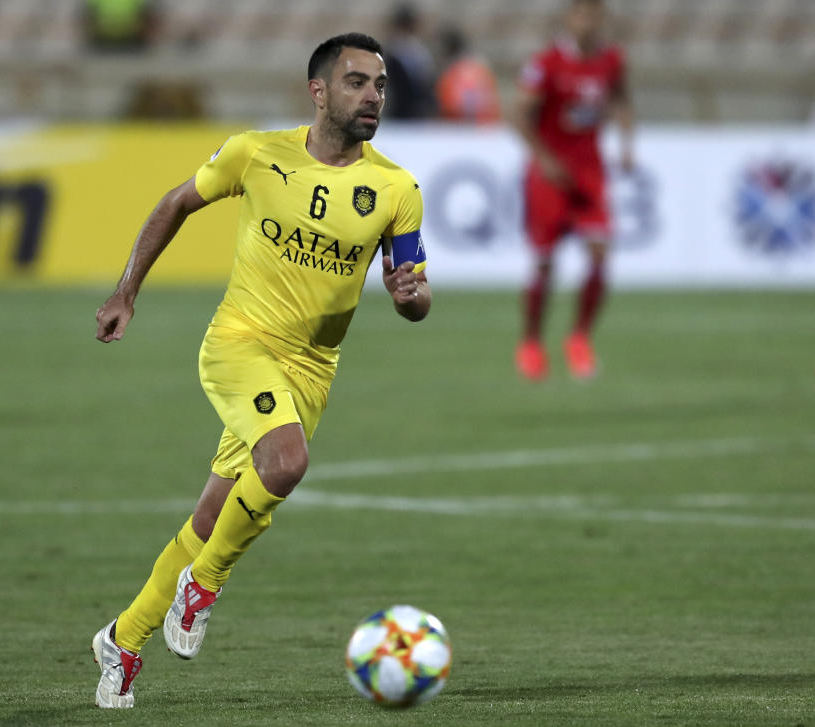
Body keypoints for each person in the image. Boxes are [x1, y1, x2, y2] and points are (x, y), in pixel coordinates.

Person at [90, 32, 432, 708]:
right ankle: (203, 586)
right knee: (285, 461)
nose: (373, 96)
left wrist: (412, 297)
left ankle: (122, 640)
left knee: (211, 514)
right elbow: (175, 202)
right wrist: (127, 289)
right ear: (319, 91)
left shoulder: (395, 189)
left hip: (311, 370)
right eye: (358, 82)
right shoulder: (256, 153)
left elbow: (413, 290)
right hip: (239, 342)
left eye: (381, 85)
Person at [512, 0, 633, 380]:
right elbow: (517, 114)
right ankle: (531, 342)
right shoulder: (546, 63)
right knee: (545, 263)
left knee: (600, 252)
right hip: (550, 175)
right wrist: (544, 159)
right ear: (570, 18)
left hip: (590, 172)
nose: (588, 21)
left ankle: (579, 338)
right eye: (582, 13)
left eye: (595, 14)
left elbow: (621, 99)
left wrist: (627, 142)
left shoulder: (611, 60)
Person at [435, 26, 501, 123]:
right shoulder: (480, 67)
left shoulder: (454, 72)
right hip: (485, 126)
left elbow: (453, 104)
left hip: (463, 127)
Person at [382, 3, 437, 119]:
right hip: (399, 111)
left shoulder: (417, 51)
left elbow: (426, 82)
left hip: (413, 111)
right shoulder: (395, 52)